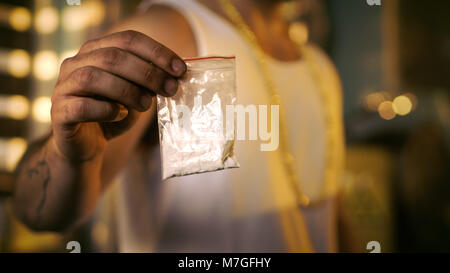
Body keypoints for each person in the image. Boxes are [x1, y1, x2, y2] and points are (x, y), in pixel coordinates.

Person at [13, 0, 345, 252]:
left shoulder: (321, 68)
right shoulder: (170, 31)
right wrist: (68, 154)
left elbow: (329, 211)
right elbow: (38, 213)